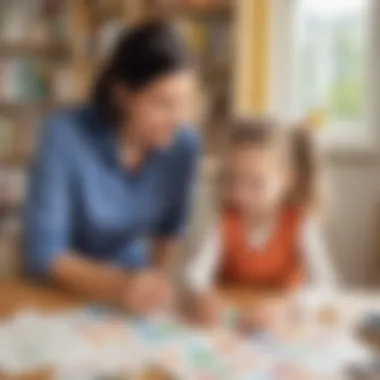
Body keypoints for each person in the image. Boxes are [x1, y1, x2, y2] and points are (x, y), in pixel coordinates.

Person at [24, 22, 200, 316]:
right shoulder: (64, 136)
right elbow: (44, 252)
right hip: (60, 287)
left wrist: (152, 282)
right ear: (122, 95)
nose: (177, 118)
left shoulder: (184, 146)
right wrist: (119, 286)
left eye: (185, 102)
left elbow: (168, 229)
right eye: (163, 103)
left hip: (128, 285)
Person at [183, 117, 337, 326]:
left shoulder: (300, 222)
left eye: (256, 183)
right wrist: (202, 296)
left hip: (281, 325)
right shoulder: (225, 219)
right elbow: (194, 273)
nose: (241, 193)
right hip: (232, 323)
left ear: (288, 179)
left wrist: (289, 306)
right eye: (233, 178)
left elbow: (326, 286)